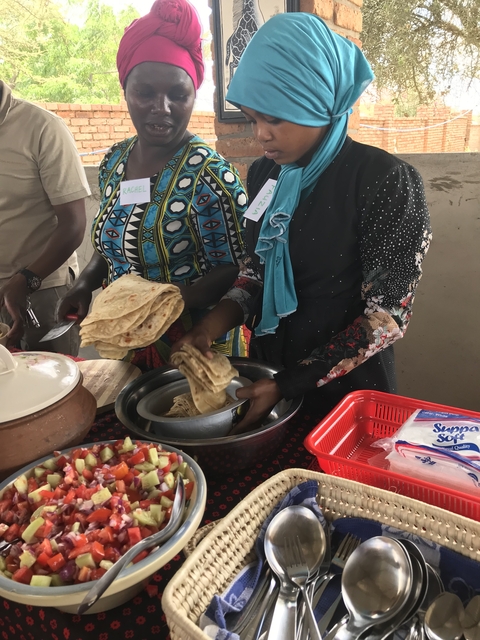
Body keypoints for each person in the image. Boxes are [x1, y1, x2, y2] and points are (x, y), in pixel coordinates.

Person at [172, 12, 432, 428]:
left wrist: (292, 382)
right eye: (252, 118)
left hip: (347, 395)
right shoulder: (265, 174)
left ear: (318, 101)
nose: (260, 134)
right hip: (266, 378)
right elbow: (254, 274)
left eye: (273, 118)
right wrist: (209, 326)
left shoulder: (384, 181)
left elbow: (387, 317)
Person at [59, 0, 252, 371]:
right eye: (145, 93)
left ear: (193, 95)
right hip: (126, 339)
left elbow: (236, 267)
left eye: (177, 95)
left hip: (195, 343)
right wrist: (85, 282)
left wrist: (165, 302)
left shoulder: (210, 175)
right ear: (126, 90)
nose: (161, 107)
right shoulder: (115, 161)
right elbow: (113, 241)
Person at [0, 81, 90, 355]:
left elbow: (73, 224)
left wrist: (25, 280)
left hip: (42, 291)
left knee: (55, 385)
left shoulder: (43, 128)